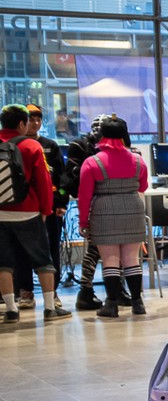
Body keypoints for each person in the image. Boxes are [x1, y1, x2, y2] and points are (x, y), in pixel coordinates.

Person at [75, 115, 150, 318]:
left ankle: (112, 304)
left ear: (101, 135)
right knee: (131, 259)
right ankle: (137, 302)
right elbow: (143, 186)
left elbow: (84, 195)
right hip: (133, 208)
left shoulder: (92, 162)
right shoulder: (138, 160)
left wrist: (83, 221)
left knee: (110, 260)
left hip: (104, 209)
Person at [0, 103, 64, 324]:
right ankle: (49, 307)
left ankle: (11, 309)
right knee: (43, 260)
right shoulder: (31, 146)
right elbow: (44, 182)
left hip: (0, 214)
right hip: (28, 212)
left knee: (4, 264)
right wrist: (46, 210)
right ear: (21, 123)